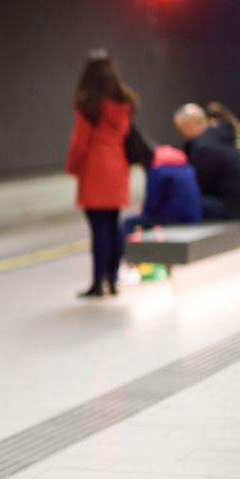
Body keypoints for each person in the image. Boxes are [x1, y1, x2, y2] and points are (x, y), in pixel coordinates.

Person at [65, 50, 137, 297]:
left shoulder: (88, 104)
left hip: (95, 169)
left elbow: (79, 143)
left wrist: (73, 168)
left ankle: (98, 283)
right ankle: (113, 279)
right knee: (113, 225)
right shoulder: (124, 101)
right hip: (118, 167)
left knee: (98, 229)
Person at [173, 103, 240, 221]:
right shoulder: (218, 138)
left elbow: (197, 185)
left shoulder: (204, 147)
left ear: (188, 126)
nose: (182, 135)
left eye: (180, 130)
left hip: (231, 207)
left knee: (178, 205)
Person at [122, 144, 202, 237]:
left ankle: (128, 250)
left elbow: (153, 199)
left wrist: (144, 212)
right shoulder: (185, 166)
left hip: (173, 216)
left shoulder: (156, 169)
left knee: (130, 222)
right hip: (194, 215)